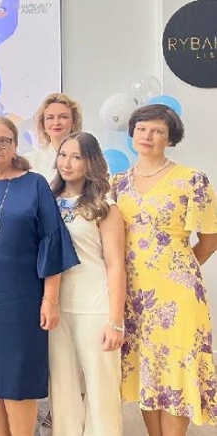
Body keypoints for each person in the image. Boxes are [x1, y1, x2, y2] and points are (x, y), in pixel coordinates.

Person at [0, 116, 78, 436]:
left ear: (15, 145)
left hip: (21, 298)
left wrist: (50, 300)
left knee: (18, 380)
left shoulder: (34, 184)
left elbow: (51, 241)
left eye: (3, 140)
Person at [111, 104, 217, 434]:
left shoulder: (191, 179)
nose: (148, 136)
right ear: (132, 134)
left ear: (170, 139)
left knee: (175, 371)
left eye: (157, 131)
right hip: (134, 296)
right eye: (142, 129)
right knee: (149, 371)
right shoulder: (117, 183)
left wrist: (178, 272)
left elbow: (210, 238)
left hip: (177, 296)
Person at [48, 132, 125, 436]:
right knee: (62, 387)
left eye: (76, 157)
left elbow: (115, 264)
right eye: (63, 155)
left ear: (90, 161)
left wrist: (115, 321)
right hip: (55, 307)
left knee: (100, 388)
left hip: (95, 306)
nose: (66, 163)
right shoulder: (48, 201)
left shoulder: (104, 205)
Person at [25, 93, 83, 182]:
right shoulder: (30, 161)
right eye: (50, 118)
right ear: (43, 124)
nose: (56, 123)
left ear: (73, 122)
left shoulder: (89, 159)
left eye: (63, 117)